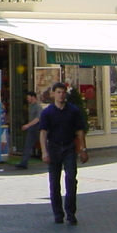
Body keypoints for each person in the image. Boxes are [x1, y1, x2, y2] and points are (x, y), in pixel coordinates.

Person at [39, 83, 88, 225]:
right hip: (54, 148)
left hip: (69, 148)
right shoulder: (47, 112)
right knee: (54, 183)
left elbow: (80, 131)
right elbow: (43, 132)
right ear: (53, 94)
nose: (61, 95)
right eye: (59, 92)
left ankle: (71, 213)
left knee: (71, 180)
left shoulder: (73, 111)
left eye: (63, 92)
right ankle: (58, 214)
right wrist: (44, 151)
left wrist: (83, 150)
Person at [15, 90, 42, 170]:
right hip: (31, 128)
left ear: (33, 97)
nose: (27, 99)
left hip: (37, 127)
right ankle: (23, 163)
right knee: (28, 145)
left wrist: (27, 125)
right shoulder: (30, 106)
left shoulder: (38, 107)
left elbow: (38, 119)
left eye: (28, 97)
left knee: (44, 144)